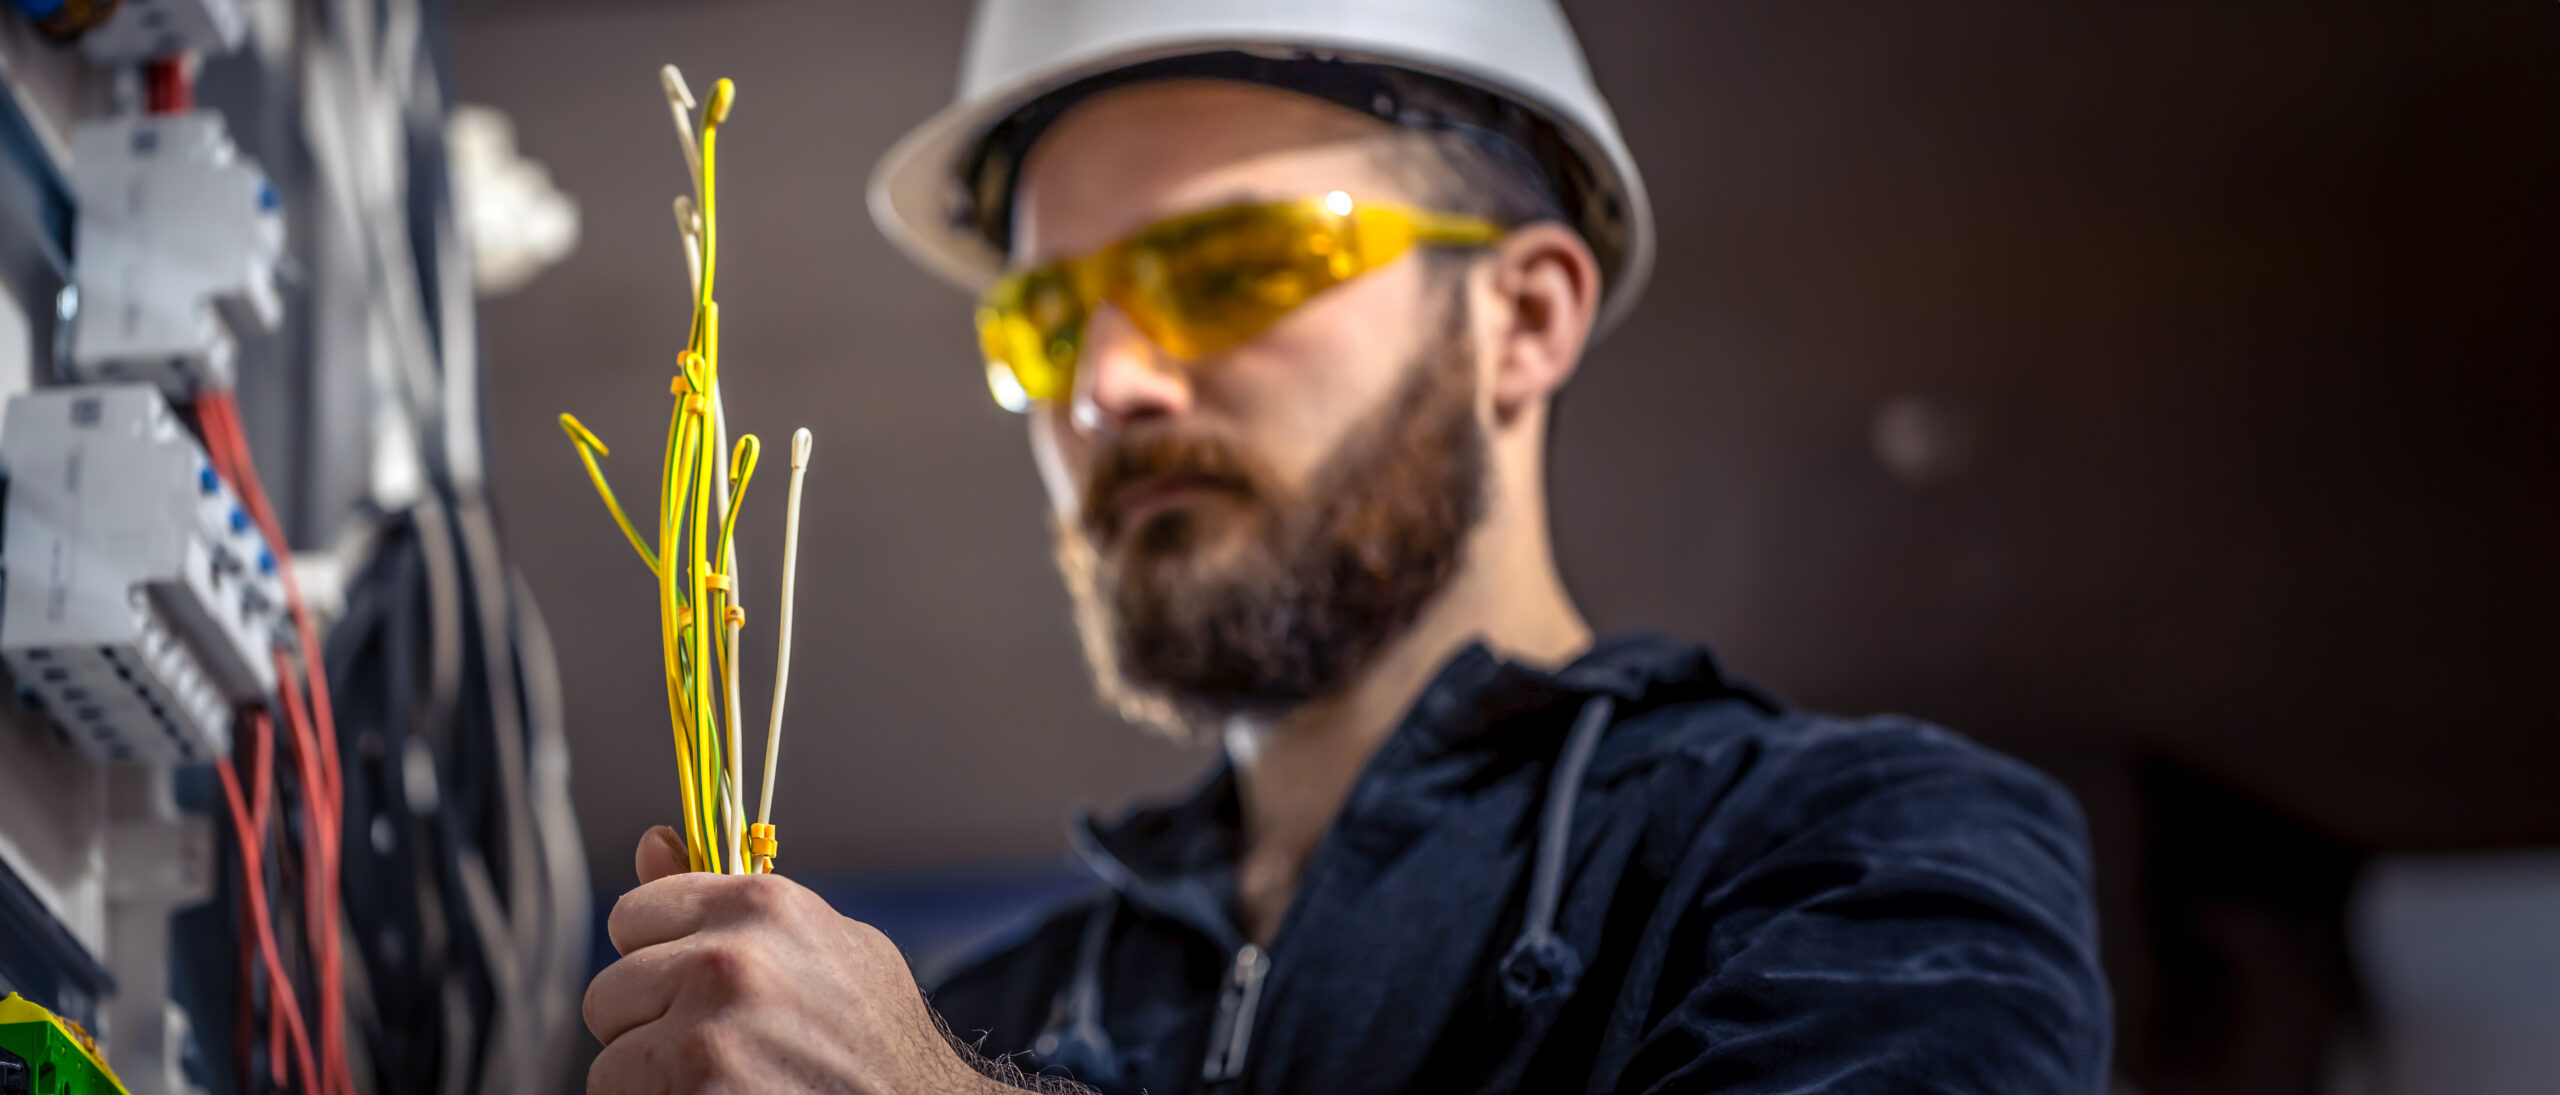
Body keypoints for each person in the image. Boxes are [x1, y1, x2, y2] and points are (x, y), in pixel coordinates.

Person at [579, 1, 2112, 1092]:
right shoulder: (995, 1010)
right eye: (1043, 320)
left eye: (1232, 267)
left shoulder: (1855, 865)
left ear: (1521, 317)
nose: (1107, 385)